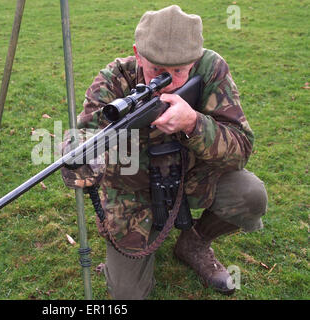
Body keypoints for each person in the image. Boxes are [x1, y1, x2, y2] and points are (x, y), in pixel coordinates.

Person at [60, 5, 268, 299]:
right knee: (127, 295)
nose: (167, 81)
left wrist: (194, 123)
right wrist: (77, 158)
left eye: (179, 72)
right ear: (137, 53)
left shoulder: (211, 69)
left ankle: (194, 243)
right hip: (133, 195)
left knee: (250, 195)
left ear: (194, 60)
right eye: (157, 70)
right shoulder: (112, 79)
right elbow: (85, 135)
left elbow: (241, 148)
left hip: (192, 177)